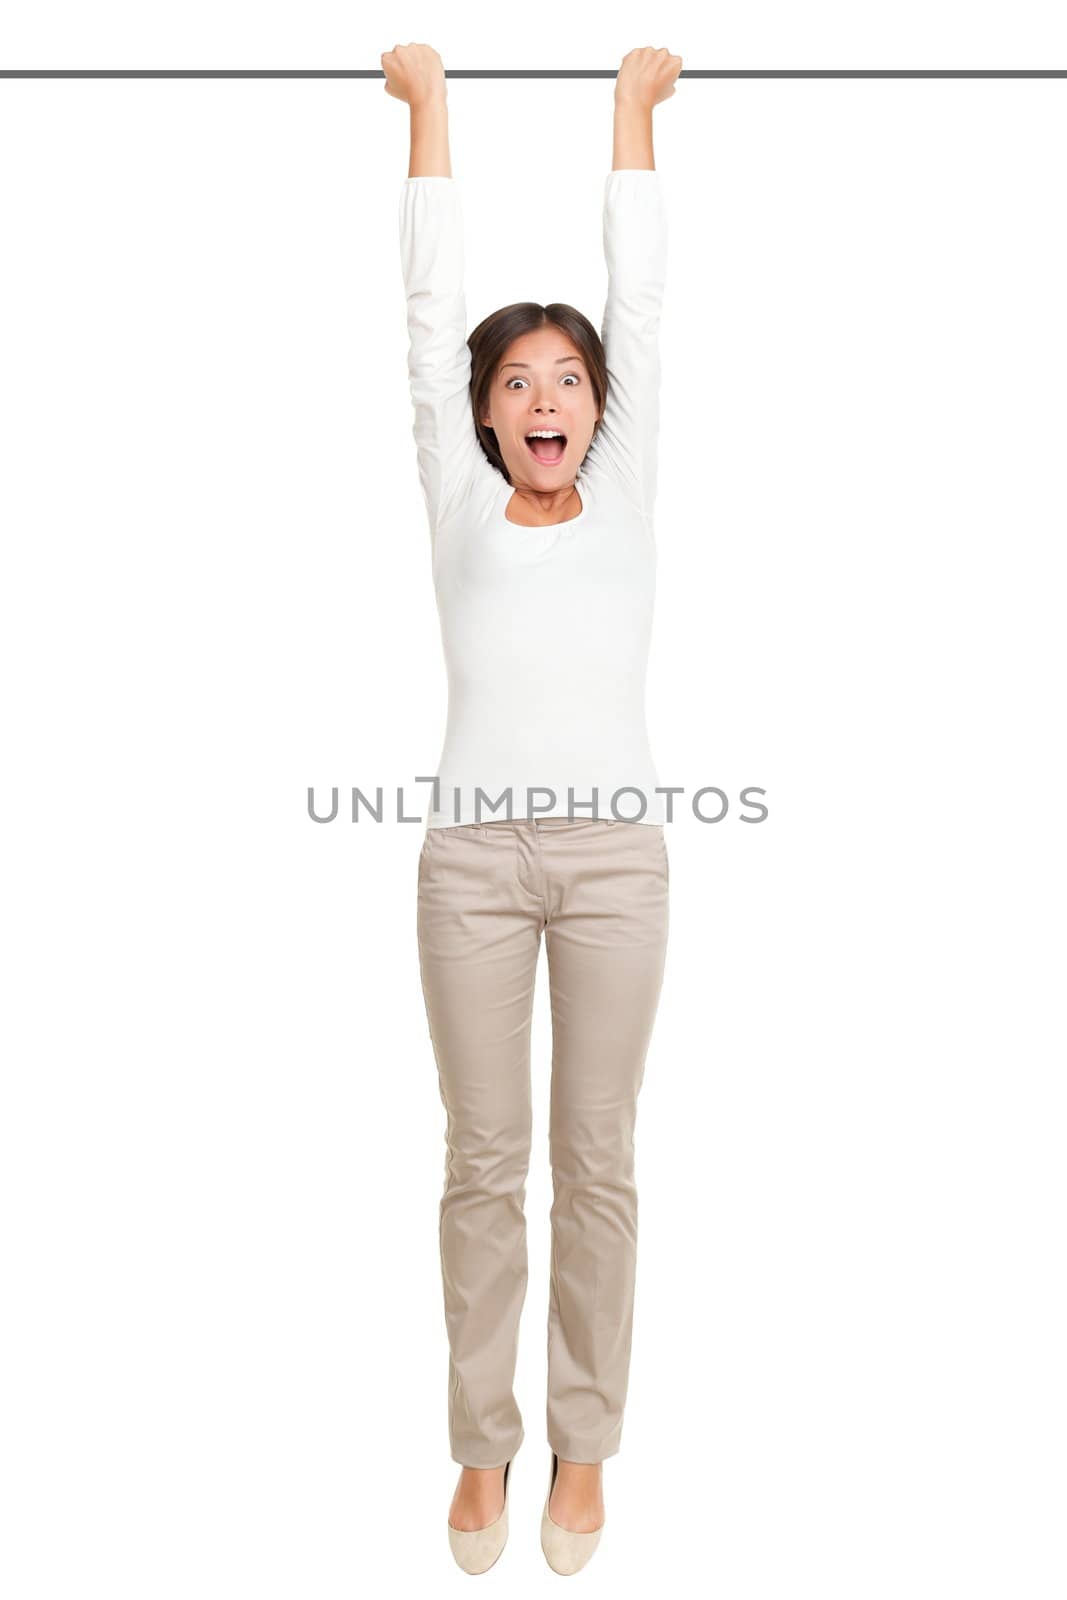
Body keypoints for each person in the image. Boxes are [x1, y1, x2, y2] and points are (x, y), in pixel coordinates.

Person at [384, 40, 682, 1574]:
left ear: (597, 409)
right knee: (483, 1161)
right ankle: (481, 1451)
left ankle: (585, 1447)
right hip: (473, 870)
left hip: (619, 867)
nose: (546, 398)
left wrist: (627, 117)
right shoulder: (454, 489)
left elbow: (644, 300)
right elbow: (431, 316)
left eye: (569, 381)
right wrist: (432, 113)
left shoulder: (625, 487)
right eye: (521, 384)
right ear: (487, 417)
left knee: (599, 1160)